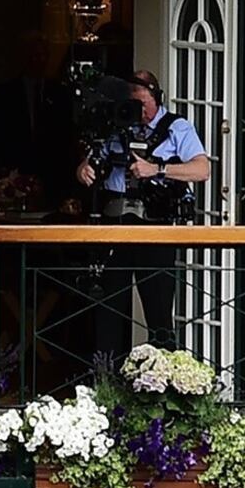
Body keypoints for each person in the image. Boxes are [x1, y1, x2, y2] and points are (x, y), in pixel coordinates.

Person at [72, 67, 210, 367]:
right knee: (108, 309)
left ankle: (164, 386)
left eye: (143, 104)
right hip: (116, 225)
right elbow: (93, 159)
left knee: (159, 311)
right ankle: (104, 383)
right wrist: (83, 168)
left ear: (157, 99)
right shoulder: (116, 123)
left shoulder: (177, 127)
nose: (138, 111)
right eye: (132, 102)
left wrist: (157, 169)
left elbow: (202, 170)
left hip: (155, 227)